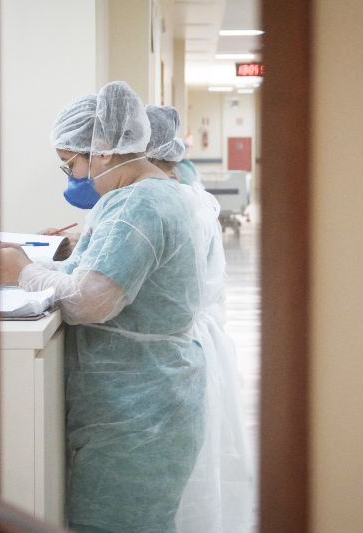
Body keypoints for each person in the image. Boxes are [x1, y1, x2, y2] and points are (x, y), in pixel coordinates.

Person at [0, 81, 211, 533]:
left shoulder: (139, 204)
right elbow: (89, 272)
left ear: (102, 150)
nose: (72, 176)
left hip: (137, 410)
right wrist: (39, 257)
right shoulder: (148, 195)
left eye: (70, 164)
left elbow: (91, 301)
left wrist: (19, 270)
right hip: (145, 401)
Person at [144, 106, 256, 533]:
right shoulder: (188, 196)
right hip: (195, 348)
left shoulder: (169, 204)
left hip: (177, 353)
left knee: (182, 485)